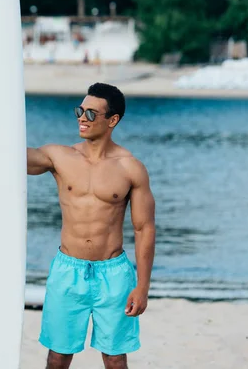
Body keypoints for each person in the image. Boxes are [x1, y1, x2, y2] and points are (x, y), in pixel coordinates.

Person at [27, 83, 156, 369]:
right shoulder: (58, 156)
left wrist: (142, 287)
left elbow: (144, 228)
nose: (81, 118)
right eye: (79, 111)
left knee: (114, 359)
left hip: (114, 275)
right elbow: (11, 159)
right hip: (67, 270)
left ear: (112, 120)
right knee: (57, 357)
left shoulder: (130, 167)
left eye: (90, 113)